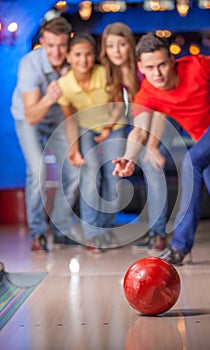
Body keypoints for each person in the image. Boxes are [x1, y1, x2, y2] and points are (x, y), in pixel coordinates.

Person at [112, 32, 210, 265]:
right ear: (141, 67)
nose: (157, 73)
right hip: (208, 140)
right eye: (150, 67)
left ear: (172, 60)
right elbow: (138, 131)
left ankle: (179, 247)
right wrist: (128, 157)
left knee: (191, 163)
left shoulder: (197, 66)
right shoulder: (146, 95)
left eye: (162, 65)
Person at [100, 22, 179, 250]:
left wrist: (152, 144)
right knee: (136, 160)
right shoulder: (114, 72)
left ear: (130, 45)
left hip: (164, 115)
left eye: (122, 44)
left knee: (151, 163)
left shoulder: (143, 67)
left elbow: (161, 106)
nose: (116, 50)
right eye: (110, 45)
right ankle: (151, 230)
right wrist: (108, 127)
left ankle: (157, 234)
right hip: (142, 117)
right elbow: (124, 107)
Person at [11, 14, 79, 251]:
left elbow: (72, 112)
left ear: (68, 42)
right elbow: (31, 115)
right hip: (30, 118)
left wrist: (76, 150)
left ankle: (60, 229)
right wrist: (50, 97)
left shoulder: (74, 62)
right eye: (50, 45)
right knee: (38, 169)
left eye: (61, 45)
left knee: (73, 170)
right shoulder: (30, 64)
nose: (57, 52)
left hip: (60, 119)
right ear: (42, 42)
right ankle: (38, 232)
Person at [57, 33, 127, 251]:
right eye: (77, 54)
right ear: (68, 56)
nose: (83, 60)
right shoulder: (63, 85)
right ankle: (92, 233)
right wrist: (74, 149)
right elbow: (69, 120)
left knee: (113, 177)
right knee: (89, 176)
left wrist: (108, 127)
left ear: (94, 55)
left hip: (115, 126)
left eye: (88, 54)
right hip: (86, 129)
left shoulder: (105, 73)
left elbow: (118, 103)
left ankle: (106, 229)